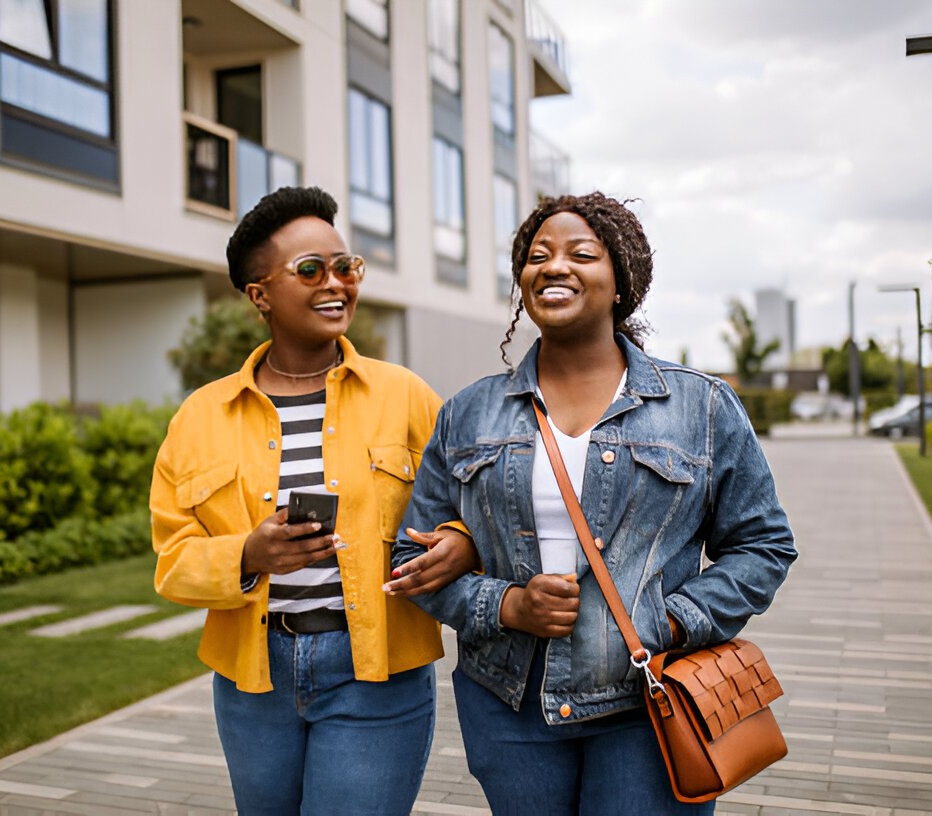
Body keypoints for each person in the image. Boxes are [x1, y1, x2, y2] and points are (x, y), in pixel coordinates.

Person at [389, 192, 797, 815]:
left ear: (620, 281)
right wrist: (507, 605)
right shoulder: (467, 413)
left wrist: (674, 619)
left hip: (649, 699)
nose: (553, 266)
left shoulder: (701, 407)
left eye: (581, 254)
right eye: (537, 256)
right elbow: (408, 561)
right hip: (509, 703)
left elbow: (763, 545)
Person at [150, 186, 476, 815]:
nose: (336, 283)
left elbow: (475, 503)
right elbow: (173, 561)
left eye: (345, 266)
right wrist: (249, 552)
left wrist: (462, 540)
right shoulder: (199, 417)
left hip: (376, 673)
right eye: (310, 269)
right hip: (253, 680)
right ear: (260, 294)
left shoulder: (405, 397)